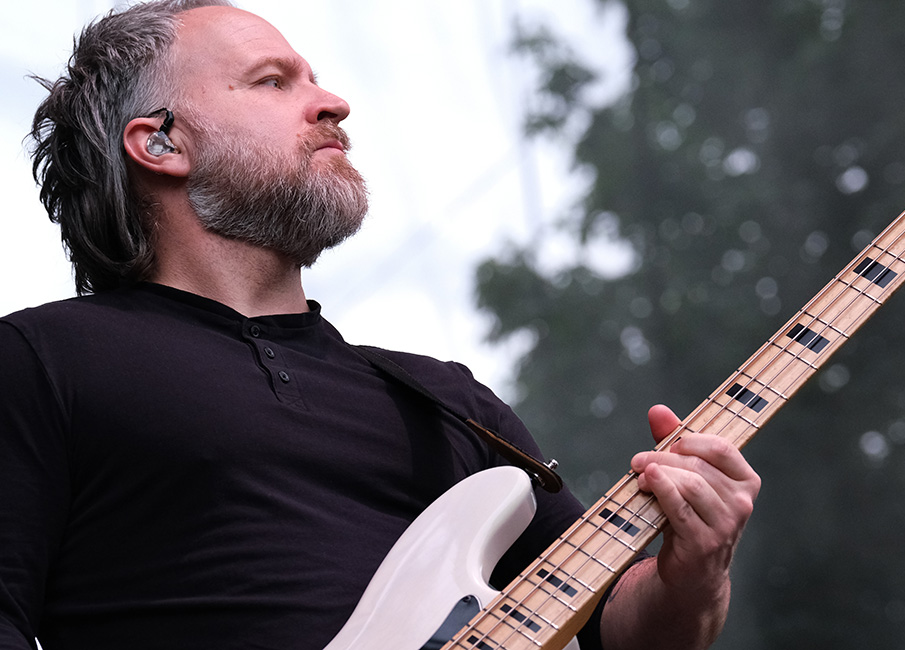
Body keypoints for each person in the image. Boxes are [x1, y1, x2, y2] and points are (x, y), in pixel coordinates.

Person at [0, 1, 761, 649]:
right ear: (161, 142)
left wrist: (697, 570)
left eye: (315, 77)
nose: (333, 102)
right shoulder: (43, 360)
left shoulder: (448, 402)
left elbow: (606, 632)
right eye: (273, 81)